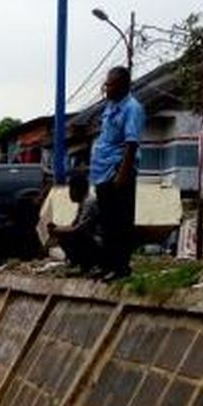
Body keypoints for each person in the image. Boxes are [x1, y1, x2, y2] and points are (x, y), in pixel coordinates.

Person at [88, 66, 144, 280]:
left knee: (121, 221)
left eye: (110, 84)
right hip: (103, 172)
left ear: (122, 85)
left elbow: (131, 144)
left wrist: (122, 174)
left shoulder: (132, 108)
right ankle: (107, 264)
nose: (106, 88)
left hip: (118, 171)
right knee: (107, 221)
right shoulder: (111, 107)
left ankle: (120, 267)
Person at [46, 168, 100, 273]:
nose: (70, 194)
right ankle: (77, 262)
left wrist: (58, 230)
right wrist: (56, 228)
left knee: (68, 235)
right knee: (61, 232)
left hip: (97, 242)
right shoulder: (83, 203)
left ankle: (86, 263)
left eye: (71, 190)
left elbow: (79, 229)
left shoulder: (89, 203)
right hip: (90, 238)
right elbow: (74, 224)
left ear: (77, 189)